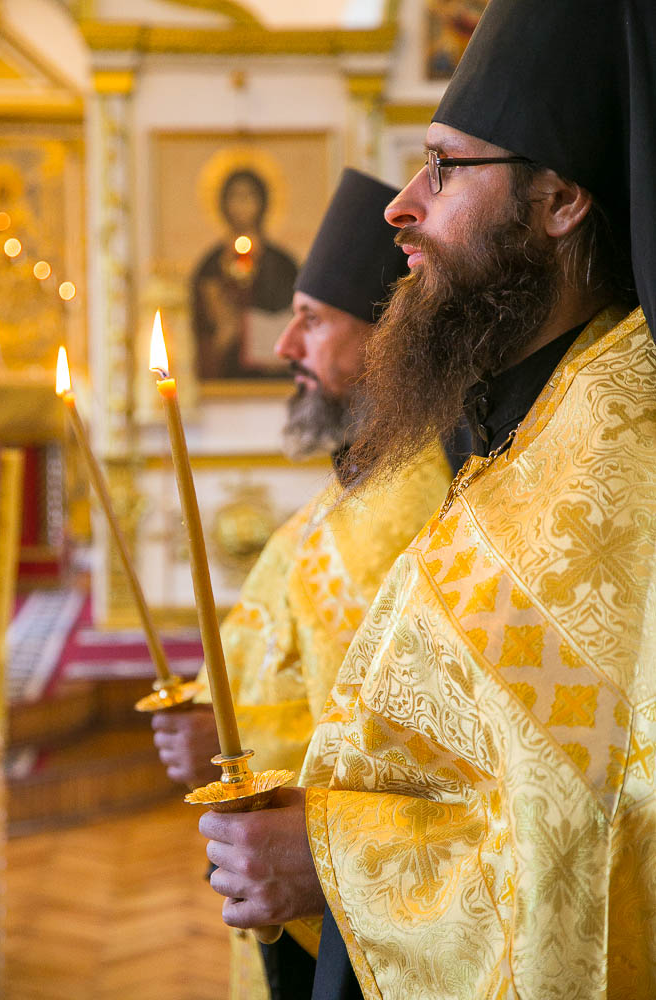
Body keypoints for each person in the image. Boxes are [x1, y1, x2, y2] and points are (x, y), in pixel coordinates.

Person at [198, 2, 656, 997]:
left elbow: (621, 835)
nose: (401, 206)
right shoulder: (521, 424)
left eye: (443, 168)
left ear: (560, 201)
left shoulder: (627, 454)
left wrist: (333, 863)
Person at [154, 169, 461, 999]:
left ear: (388, 333)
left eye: (311, 320)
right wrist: (210, 720)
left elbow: (383, 735)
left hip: (363, 898)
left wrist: (229, 740)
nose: (284, 347)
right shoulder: (362, 480)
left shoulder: (421, 504)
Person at [192, 168, 298, 380]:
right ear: (223, 204)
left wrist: (244, 325)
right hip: (223, 374)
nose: (241, 204)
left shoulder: (281, 263)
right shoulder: (211, 264)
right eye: (234, 196)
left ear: (262, 202)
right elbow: (201, 326)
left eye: (249, 196)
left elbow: (291, 315)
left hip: (270, 377)